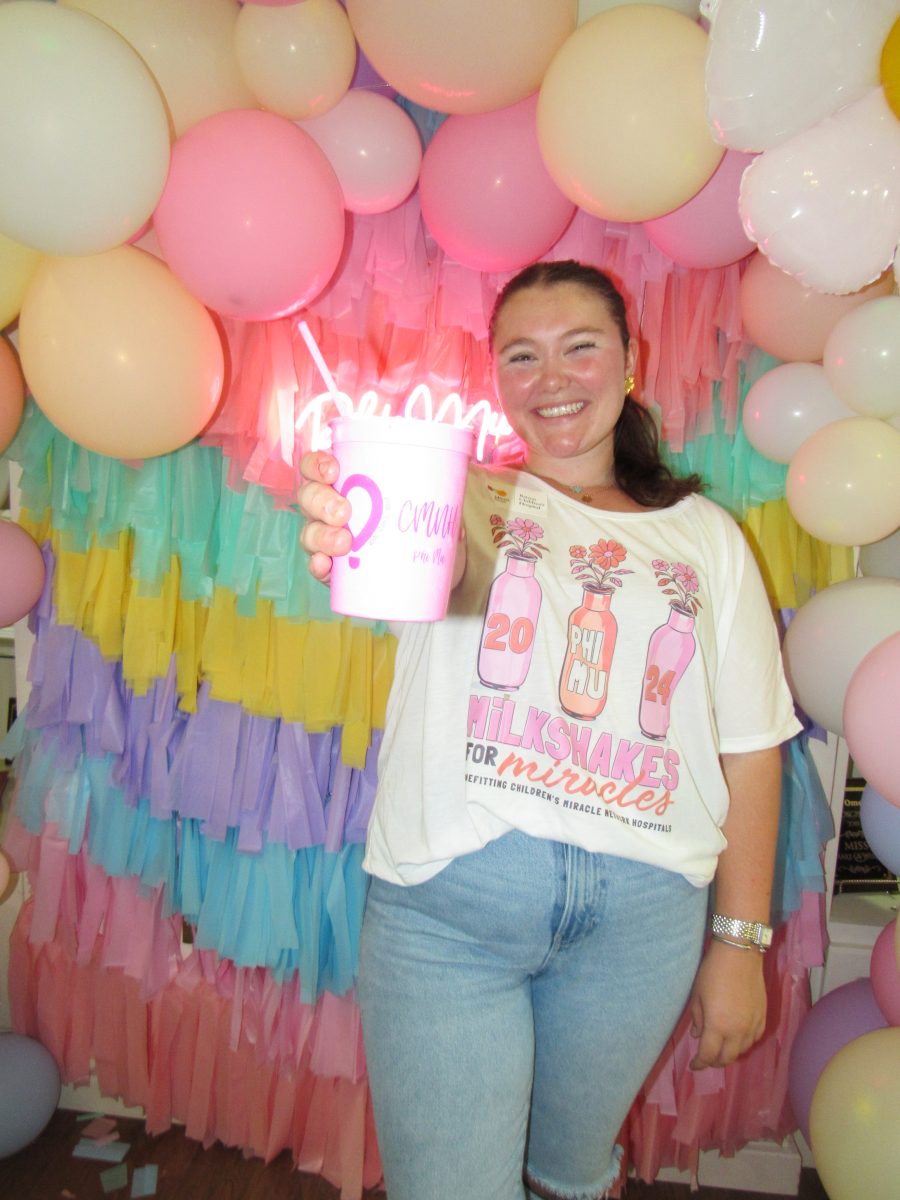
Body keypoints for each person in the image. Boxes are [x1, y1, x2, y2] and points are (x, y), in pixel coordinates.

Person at [297, 260, 801, 1200]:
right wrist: (343, 517)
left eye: (580, 347)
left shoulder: (706, 537)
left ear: (631, 361)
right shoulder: (467, 501)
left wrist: (739, 944)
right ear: (496, 378)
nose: (552, 379)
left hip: (640, 931)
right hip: (452, 916)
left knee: (572, 1179)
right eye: (521, 357)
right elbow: (420, 558)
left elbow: (751, 747)